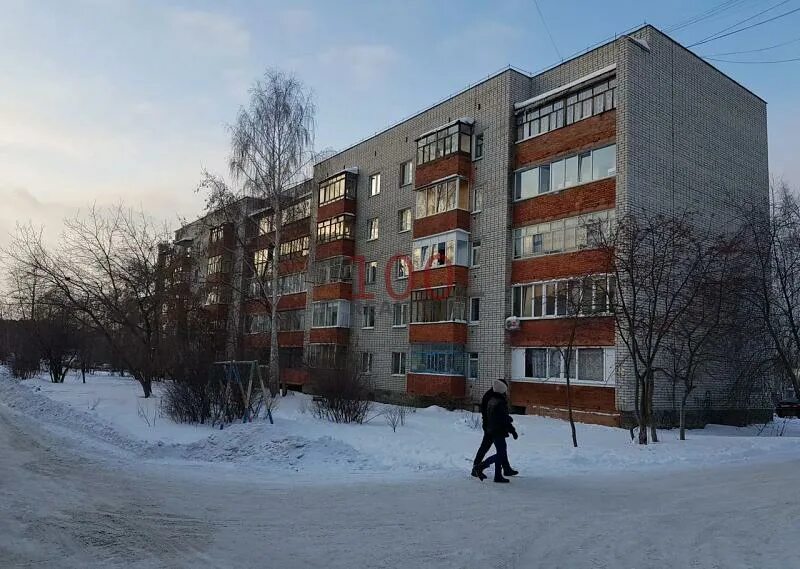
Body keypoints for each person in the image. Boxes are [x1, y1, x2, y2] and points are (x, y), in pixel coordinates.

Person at [472, 379, 518, 483]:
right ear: (502, 389)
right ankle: (478, 467)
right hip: (494, 428)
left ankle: (504, 470)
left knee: (500, 450)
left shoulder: (492, 395)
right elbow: (502, 417)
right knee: (495, 450)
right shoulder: (496, 398)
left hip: (491, 427)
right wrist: (511, 427)